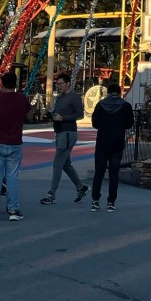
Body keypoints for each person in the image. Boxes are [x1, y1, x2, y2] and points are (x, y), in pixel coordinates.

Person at [0, 71, 31, 222]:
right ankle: (14, 209)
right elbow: (29, 116)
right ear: (15, 83)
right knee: (13, 178)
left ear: (2, 83)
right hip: (15, 142)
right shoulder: (22, 99)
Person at [40, 73, 88, 205]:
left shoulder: (74, 97)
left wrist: (63, 118)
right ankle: (80, 187)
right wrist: (49, 115)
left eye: (60, 84)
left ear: (68, 83)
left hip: (68, 133)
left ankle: (52, 194)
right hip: (60, 132)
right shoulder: (60, 98)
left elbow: (80, 115)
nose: (58, 86)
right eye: (57, 84)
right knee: (65, 164)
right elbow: (58, 114)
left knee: (58, 163)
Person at [90, 81, 134, 212]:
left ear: (108, 93)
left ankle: (95, 201)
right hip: (117, 143)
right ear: (120, 93)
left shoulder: (100, 105)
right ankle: (111, 202)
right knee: (114, 174)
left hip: (102, 143)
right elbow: (129, 123)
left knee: (99, 173)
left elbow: (94, 123)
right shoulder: (125, 106)